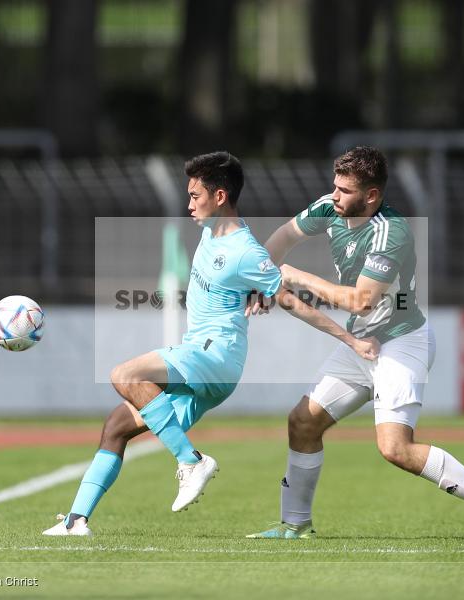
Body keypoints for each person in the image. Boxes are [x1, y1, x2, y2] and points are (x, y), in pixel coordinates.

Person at [44, 151, 379, 536]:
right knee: (117, 426)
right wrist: (256, 289)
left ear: (220, 197)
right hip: (201, 358)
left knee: (124, 374)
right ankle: (76, 521)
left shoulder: (244, 251)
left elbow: (291, 301)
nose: (189, 205)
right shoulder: (210, 231)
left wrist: (351, 339)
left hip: (214, 356)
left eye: (195, 196)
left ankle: (192, 462)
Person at [245, 146, 464, 542]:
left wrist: (295, 277)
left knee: (395, 448)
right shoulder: (330, 207)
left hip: (401, 343)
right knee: (303, 422)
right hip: (361, 342)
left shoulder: (391, 232)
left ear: (372, 195)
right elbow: (282, 237)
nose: (335, 195)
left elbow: (361, 300)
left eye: (345, 190)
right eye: (335, 186)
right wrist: (260, 279)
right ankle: (295, 525)